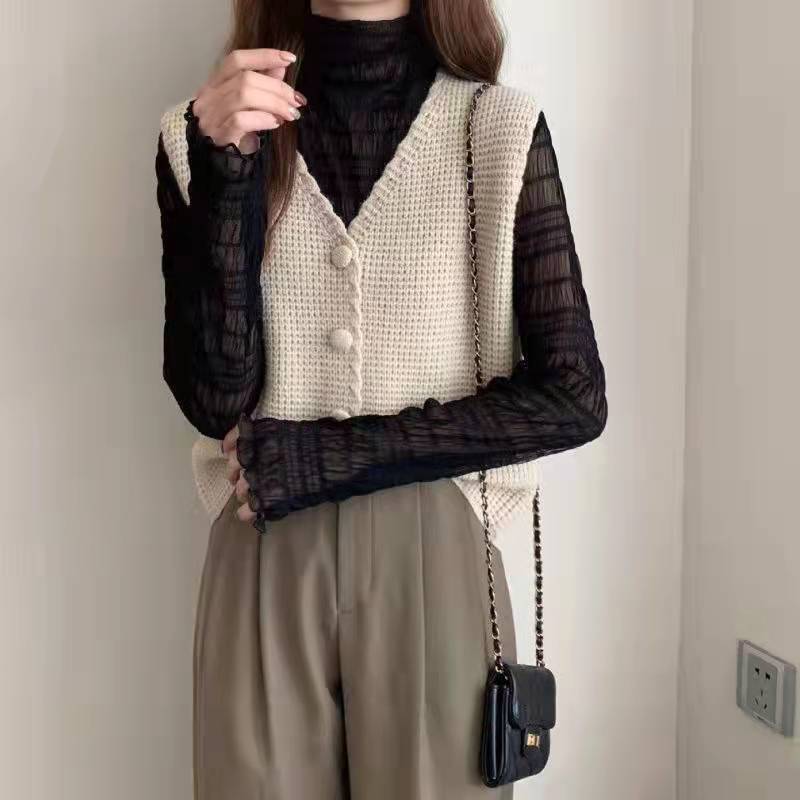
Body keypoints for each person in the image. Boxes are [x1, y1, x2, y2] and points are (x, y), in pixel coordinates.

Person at [155, 0, 608, 797]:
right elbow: (215, 397)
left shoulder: (497, 129)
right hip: (262, 551)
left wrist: (330, 457)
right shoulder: (203, 131)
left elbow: (574, 395)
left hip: (438, 551)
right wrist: (227, 170)